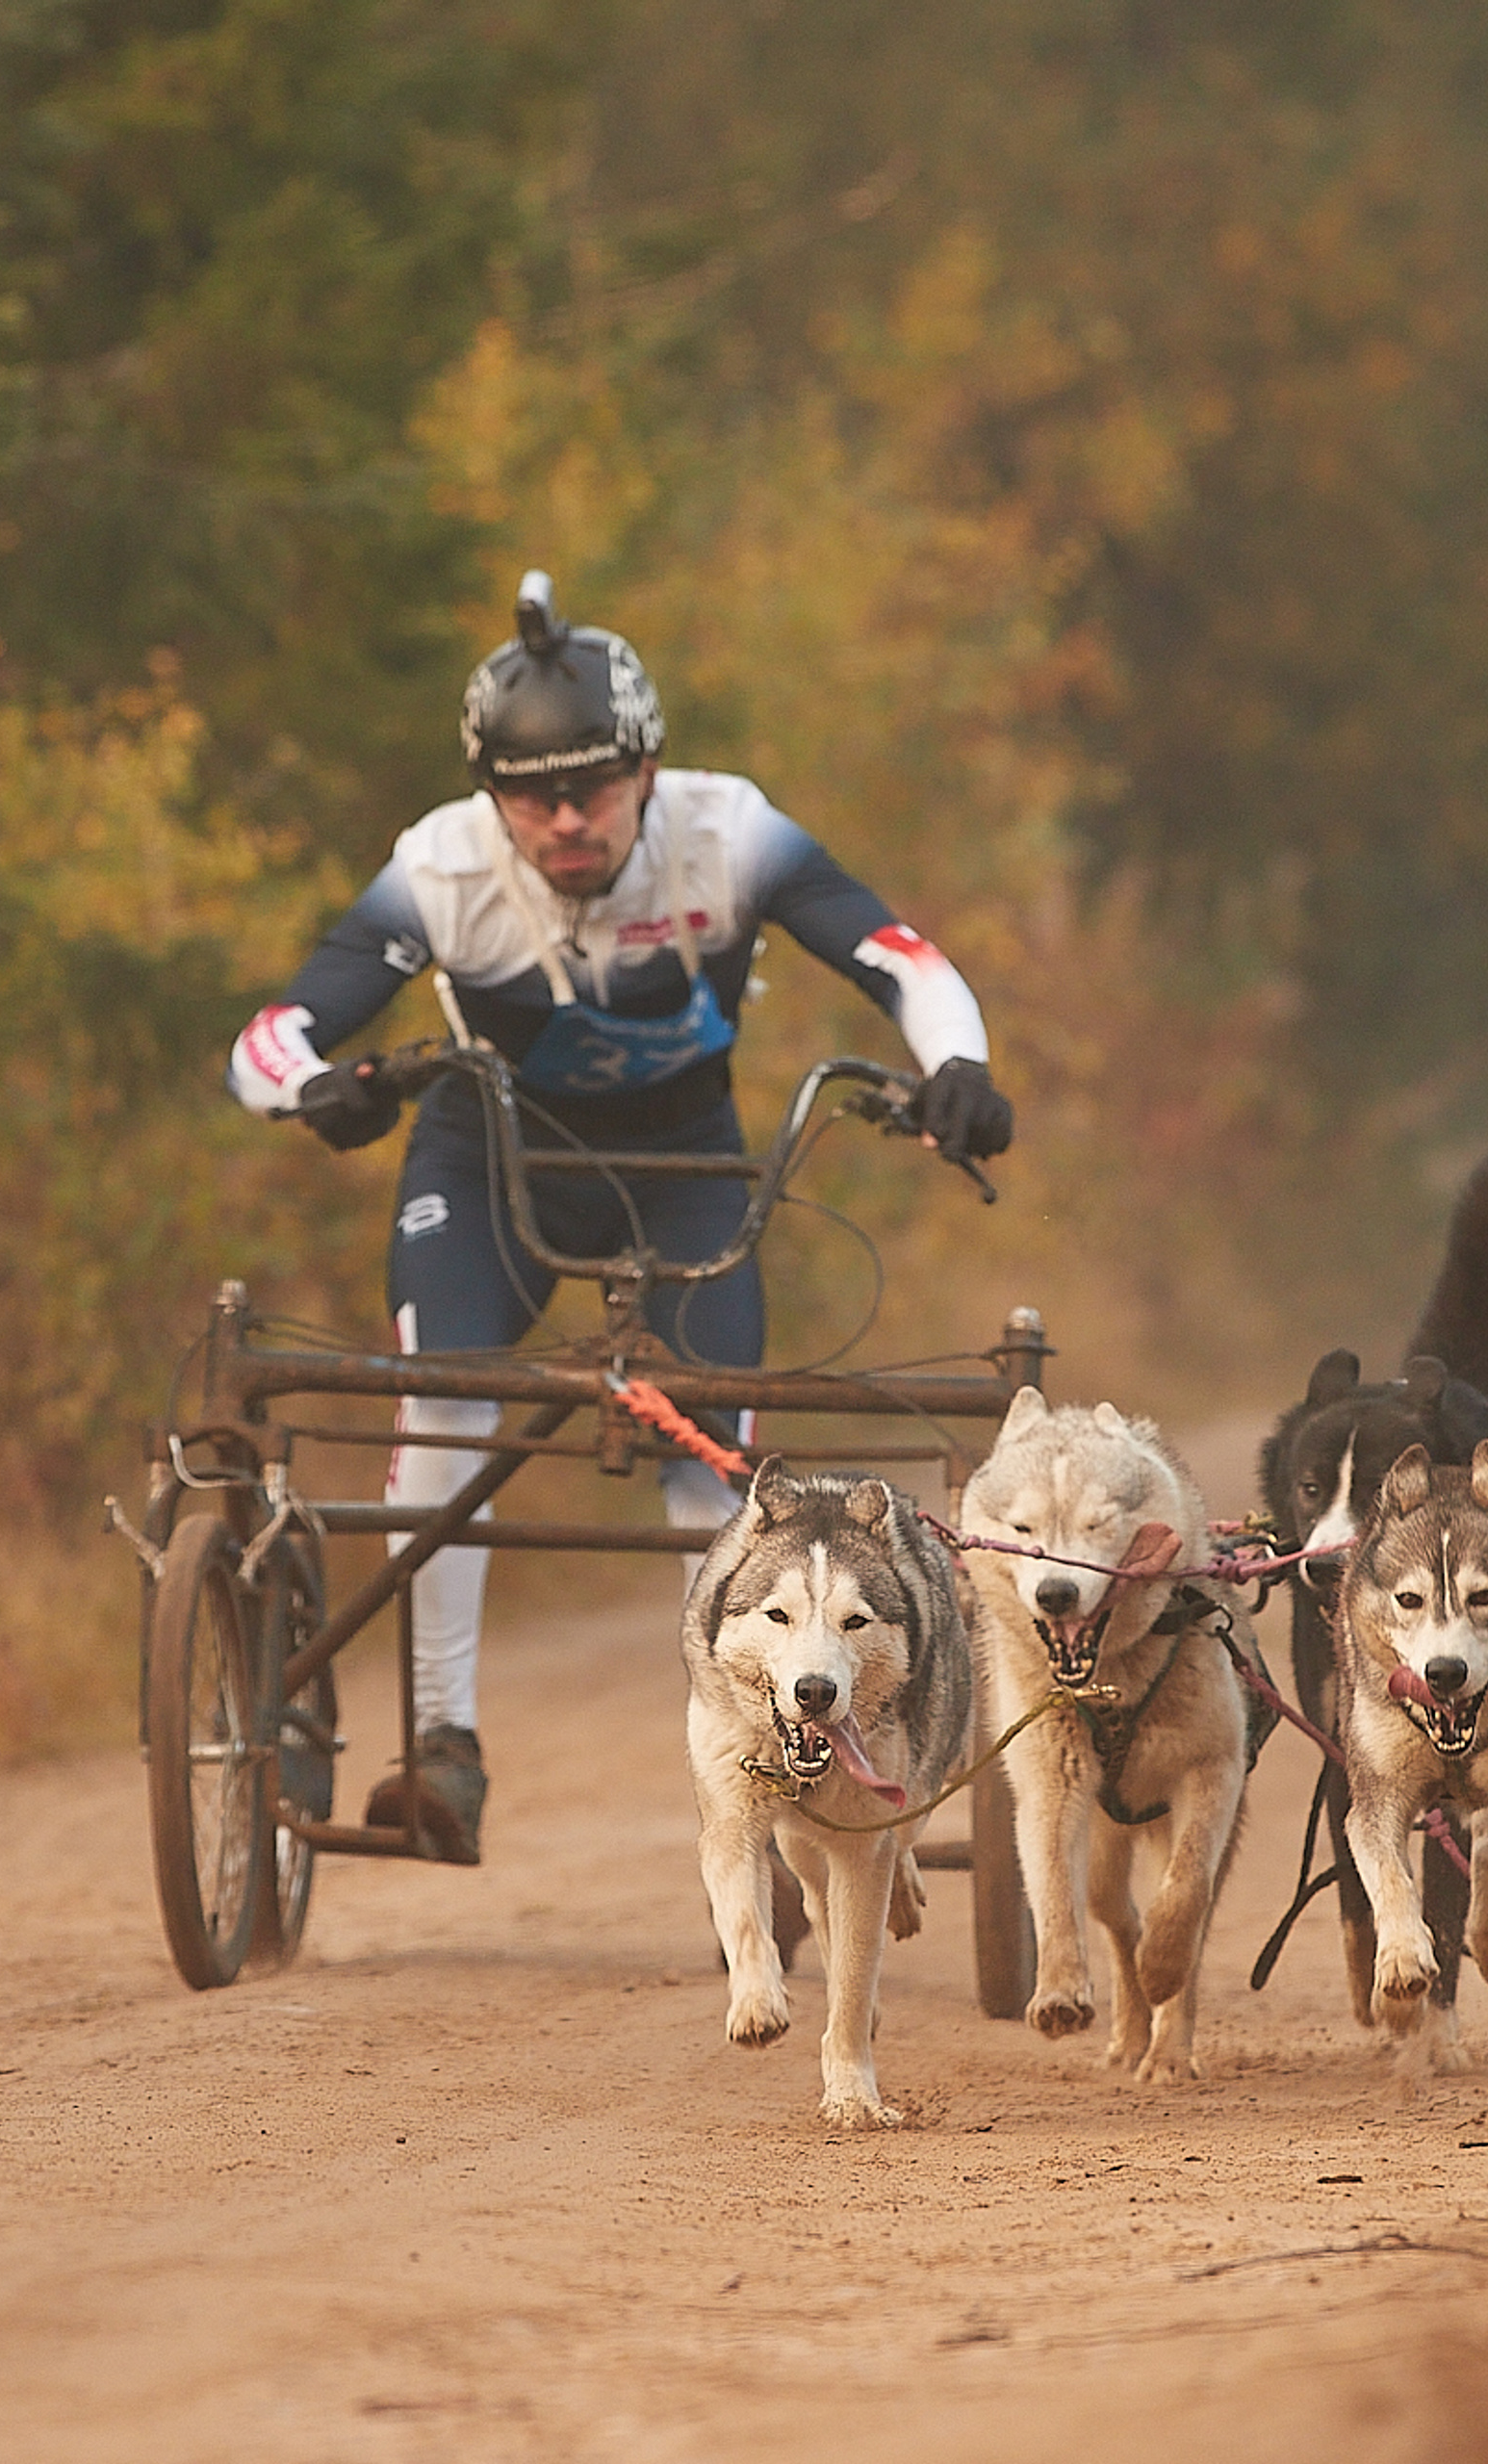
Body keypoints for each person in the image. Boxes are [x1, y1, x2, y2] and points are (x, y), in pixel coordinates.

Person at [226, 572, 1014, 1861]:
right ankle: (441, 1747)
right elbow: (273, 1032)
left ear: (648, 769)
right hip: (491, 1155)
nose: (566, 817)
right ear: (492, 794)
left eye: (594, 785)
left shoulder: (731, 833)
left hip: (685, 1164)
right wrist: (316, 1087)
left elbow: (899, 961)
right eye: (531, 794)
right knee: (448, 1396)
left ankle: (761, 1777)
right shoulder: (440, 866)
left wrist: (957, 1068)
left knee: (710, 1469)